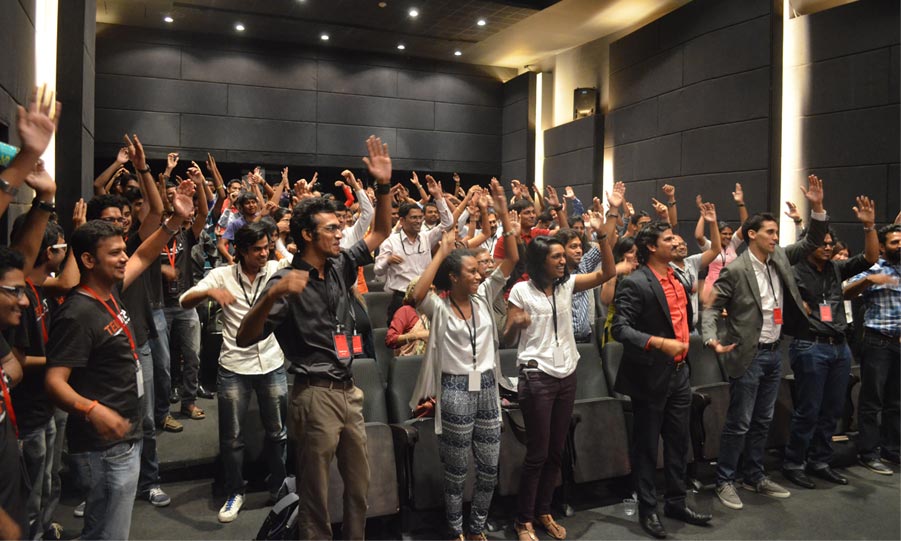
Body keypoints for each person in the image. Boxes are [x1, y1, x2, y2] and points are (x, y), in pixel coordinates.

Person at [236, 135, 393, 540]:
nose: (340, 235)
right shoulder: (285, 281)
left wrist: (383, 186)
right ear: (306, 234)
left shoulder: (340, 263)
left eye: (340, 227)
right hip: (313, 394)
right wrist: (270, 295)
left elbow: (380, 232)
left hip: (347, 390)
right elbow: (244, 336)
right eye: (331, 229)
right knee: (316, 499)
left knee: (359, 491)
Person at [44, 180, 195, 540]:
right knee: (108, 534)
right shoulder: (77, 313)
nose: (124, 257)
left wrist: (174, 221)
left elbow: (143, 255)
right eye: (114, 253)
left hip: (124, 438)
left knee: (108, 529)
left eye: (121, 251)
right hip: (103, 448)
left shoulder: (108, 290)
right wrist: (94, 410)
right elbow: (54, 382)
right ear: (88, 260)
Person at [702, 174, 828, 511]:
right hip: (749, 354)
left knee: (762, 420)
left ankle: (754, 475)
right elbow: (711, 307)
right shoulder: (736, 270)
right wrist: (711, 338)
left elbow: (813, 240)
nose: (776, 237)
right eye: (770, 232)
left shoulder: (781, 259)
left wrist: (816, 208)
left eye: (777, 232)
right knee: (740, 421)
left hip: (775, 353)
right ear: (752, 234)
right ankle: (725, 479)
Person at [408, 178, 518, 540]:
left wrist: (501, 213)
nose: (479, 274)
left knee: (488, 467)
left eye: (479, 270)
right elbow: (416, 294)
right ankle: (456, 530)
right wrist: (441, 252)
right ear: (453, 277)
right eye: (471, 270)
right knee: (456, 470)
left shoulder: (485, 294)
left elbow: (512, 259)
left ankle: (477, 527)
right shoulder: (439, 307)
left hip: (487, 385)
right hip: (454, 388)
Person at [503, 217, 616, 541]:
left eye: (562, 256)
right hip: (537, 376)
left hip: (567, 373)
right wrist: (517, 323)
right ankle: (523, 520)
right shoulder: (521, 291)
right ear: (540, 261)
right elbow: (507, 338)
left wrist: (604, 237)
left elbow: (607, 273)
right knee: (538, 452)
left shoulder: (567, 284)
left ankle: (544, 511)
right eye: (556, 257)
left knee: (556, 451)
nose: (563, 260)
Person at [180, 222, 289, 523]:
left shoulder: (276, 269)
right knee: (232, 438)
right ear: (240, 251)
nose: (263, 254)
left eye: (266, 247)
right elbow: (184, 300)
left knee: (278, 433)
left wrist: (280, 245)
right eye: (257, 250)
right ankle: (234, 491)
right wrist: (210, 292)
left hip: (271, 361)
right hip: (234, 365)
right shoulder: (222, 275)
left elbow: (301, 265)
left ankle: (279, 486)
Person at [612, 222, 713, 539]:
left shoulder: (679, 278)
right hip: (649, 375)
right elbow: (620, 329)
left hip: (679, 373)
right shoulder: (635, 282)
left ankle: (676, 502)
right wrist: (658, 342)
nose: (676, 241)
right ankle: (647, 509)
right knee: (646, 446)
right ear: (652, 247)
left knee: (678, 440)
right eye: (668, 238)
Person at [781, 196, 879, 489]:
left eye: (830, 244)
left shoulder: (836, 269)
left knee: (832, 409)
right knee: (809, 409)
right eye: (821, 243)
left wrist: (869, 227)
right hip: (810, 345)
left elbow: (870, 259)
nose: (827, 248)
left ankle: (820, 460)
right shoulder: (795, 268)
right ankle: (794, 462)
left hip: (839, 346)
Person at [843, 223, 901, 474]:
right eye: (895, 242)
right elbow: (844, 291)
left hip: (899, 343)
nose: (900, 245)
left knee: (896, 402)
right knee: (872, 400)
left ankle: (892, 450)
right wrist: (868, 280)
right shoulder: (873, 268)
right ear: (883, 247)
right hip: (877, 342)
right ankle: (869, 452)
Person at [374, 175, 452, 325]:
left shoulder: (426, 237)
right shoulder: (391, 241)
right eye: (414, 218)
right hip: (401, 299)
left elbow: (448, 223)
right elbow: (377, 270)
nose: (418, 221)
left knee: (428, 338)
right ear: (402, 221)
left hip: (426, 296)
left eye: (420, 217)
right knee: (401, 343)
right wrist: (387, 261)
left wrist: (438, 196)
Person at [670, 202, 721, 329]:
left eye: (683, 244)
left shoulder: (691, 262)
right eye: (676, 245)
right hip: (673, 330)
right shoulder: (665, 267)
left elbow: (715, 249)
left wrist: (713, 222)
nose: (681, 247)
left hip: (691, 328)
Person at [385, 279, 430, 357]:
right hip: (411, 363)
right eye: (428, 290)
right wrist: (417, 335)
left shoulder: (436, 312)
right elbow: (390, 339)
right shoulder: (405, 311)